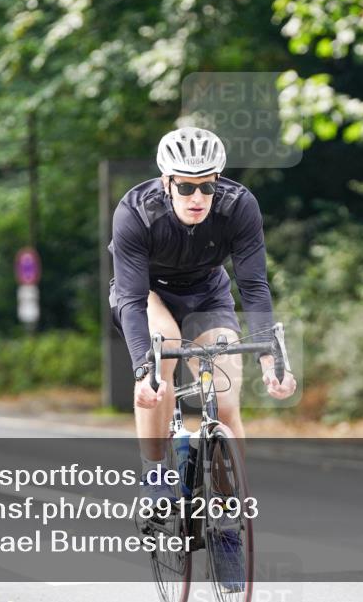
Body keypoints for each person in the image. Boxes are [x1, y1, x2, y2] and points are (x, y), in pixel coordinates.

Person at [108, 126, 296, 590]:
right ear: (167, 182)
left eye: (207, 185)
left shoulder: (238, 207)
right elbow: (131, 300)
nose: (198, 196)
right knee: (163, 359)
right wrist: (142, 369)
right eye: (187, 186)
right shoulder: (136, 212)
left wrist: (269, 357)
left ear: (219, 182)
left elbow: (252, 285)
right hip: (147, 295)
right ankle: (157, 475)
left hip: (208, 295)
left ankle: (228, 529)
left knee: (227, 406)